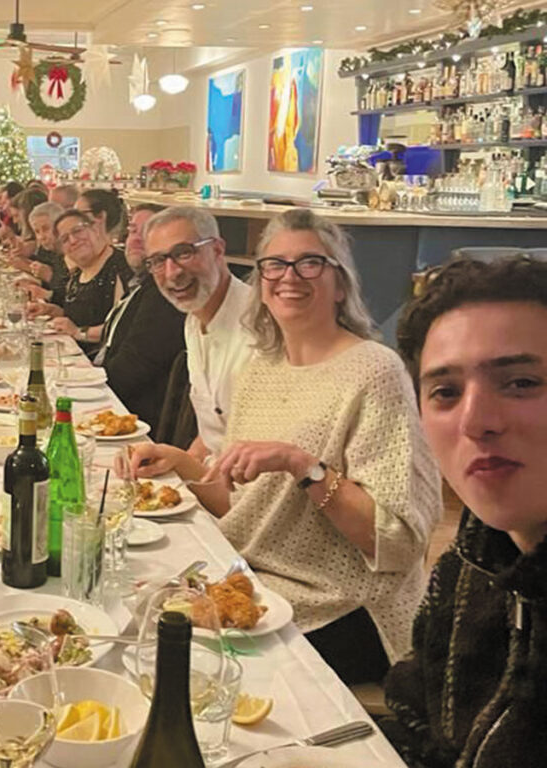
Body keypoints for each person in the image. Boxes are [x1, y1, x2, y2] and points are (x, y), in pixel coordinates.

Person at [129, 209, 441, 684]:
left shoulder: (375, 372)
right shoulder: (260, 370)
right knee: (139, 612)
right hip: (256, 581)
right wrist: (180, 465)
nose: (288, 277)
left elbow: (396, 541)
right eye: (274, 265)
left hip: (345, 606)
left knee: (187, 671)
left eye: (310, 263)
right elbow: (242, 505)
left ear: (341, 283)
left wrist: (304, 467)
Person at [382, 256, 547, 767]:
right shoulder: (472, 560)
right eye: (446, 393)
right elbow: (422, 720)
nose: (475, 421)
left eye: (521, 382)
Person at [145, 206, 255, 455]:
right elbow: (211, 436)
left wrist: (183, 469)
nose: (172, 273)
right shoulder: (193, 320)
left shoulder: (259, 328)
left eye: (183, 253)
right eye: (159, 261)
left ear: (217, 250)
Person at [94, 203, 184, 435]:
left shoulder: (163, 294)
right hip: (114, 402)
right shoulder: (142, 284)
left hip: (134, 421)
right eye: (133, 230)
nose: (135, 239)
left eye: (146, 233)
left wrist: (89, 394)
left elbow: (133, 367)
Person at [30, 210, 131, 356]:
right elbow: (82, 315)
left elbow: (121, 328)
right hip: (71, 355)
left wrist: (79, 333)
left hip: (99, 364)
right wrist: (52, 310)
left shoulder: (119, 267)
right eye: (65, 239)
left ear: (95, 229)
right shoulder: (78, 273)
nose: (73, 240)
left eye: (77, 231)